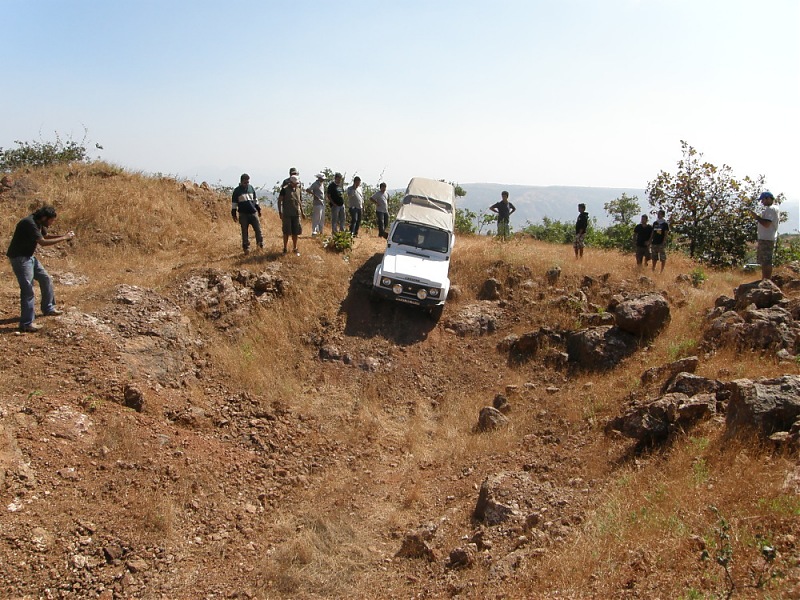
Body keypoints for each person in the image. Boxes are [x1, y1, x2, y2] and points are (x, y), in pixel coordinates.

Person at [6, 205, 75, 333]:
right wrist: (64, 238)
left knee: (45, 279)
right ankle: (26, 323)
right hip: (20, 258)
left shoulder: (38, 223)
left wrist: (64, 235)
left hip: (29, 257)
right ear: (44, 217)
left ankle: (48, 308)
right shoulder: (29, 223)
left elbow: (45, 236)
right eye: (51, 220)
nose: (52, 223)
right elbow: (42, 242)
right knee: (28, 289)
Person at [231, 173, 263, 254]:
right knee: (245, 232)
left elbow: (255, 200)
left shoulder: (251, 188)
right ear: (241, 182)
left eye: (248, 182)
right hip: (243, 214)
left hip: (253, 212)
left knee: (258, 230)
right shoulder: (237, 191)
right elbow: (234, 204)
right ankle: (246, 248)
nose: (246, 184)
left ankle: (260, 245)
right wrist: (234, 214)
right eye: (245, 182)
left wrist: (258, 209)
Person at [751, 190, 779, 280]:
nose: (762, 202)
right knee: (765, 261)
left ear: (768, 198)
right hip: (767, 238)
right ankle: (765, 279)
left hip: (767, 238)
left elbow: (767, 224)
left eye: (763, 200)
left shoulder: (770, 209)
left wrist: (757, 218)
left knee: (766, 261)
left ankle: (766, 280)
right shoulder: (773, 208)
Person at [278, 175, 305, 255]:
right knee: (286, 232)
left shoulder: (298, 190)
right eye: (295, 183)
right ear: (291, 182)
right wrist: (280, 212)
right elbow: (279, 201)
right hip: (287, 214)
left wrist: (302, 212)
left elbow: (300, 202)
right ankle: (285, 248)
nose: (296, 185)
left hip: (296, 214)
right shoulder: (284, 189)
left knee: (295, 232)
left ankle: (295, 248)